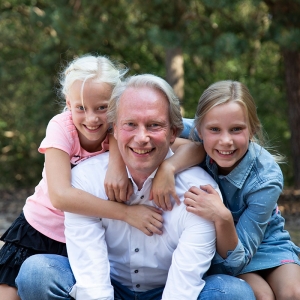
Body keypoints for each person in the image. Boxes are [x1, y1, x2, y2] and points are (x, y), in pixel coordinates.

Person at [15, 74, 255, 300]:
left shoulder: (199, 189)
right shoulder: (85, 180)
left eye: (154, 125)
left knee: (234, 292)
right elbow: (91, 277)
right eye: (130, 124)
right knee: (38, 272)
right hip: (109, 285)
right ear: (115, 130)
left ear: (173, 132)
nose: (142, 138)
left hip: (168, 289)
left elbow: (184, 283)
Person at [0, 55, 166, 300]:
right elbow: (60, 196)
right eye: (80, 108)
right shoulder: (62, 127)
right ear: (68, 103)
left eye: (102, 107)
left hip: (86, 239)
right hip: (40, 230)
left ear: (118, 103)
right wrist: (126, 213)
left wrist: (167, 170)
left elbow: (192, 142)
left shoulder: (127, 127)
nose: (91, 118)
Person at [153, 80, 300, 300]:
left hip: (264, 243)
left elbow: (240, 257)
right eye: (214, 129)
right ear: (199, 129)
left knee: (293, 292)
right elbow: (143, 124)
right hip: (218, 249)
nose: (225, 141)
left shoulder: (267, 177)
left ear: (253, 129)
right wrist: (167, 167)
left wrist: (222, 216)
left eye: (237, 129)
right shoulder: (191, 129)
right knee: (261, 295)